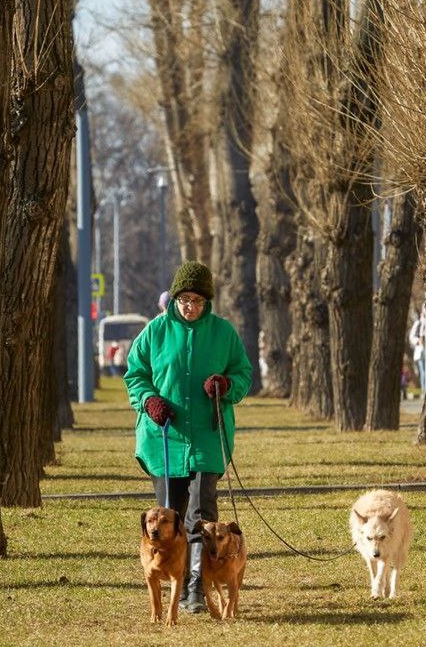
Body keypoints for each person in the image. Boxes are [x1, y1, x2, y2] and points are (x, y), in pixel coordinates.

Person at [123, 260, 253, 614]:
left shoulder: (223, 333)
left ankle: (196, 584)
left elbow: (243, 375)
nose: (189, 306)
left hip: (209, 438)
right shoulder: (154, 332)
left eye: (196, 300)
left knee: (202, 512)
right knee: (170, 516)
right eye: (184, 299)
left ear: (206, 301)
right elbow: (135, 375)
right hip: (163, 437)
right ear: (175, 299)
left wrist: (226, 386)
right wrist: (149, 400)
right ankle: (175, 582)